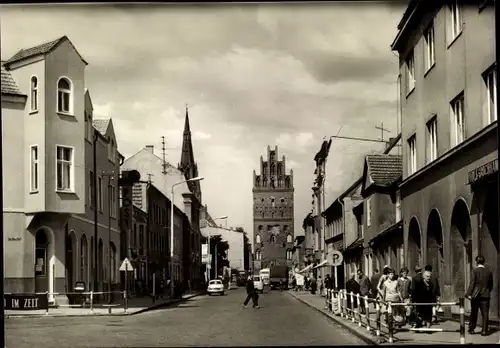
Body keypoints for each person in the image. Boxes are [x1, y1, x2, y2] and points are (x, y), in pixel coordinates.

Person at [466, 255, 493, 336]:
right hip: (485, 295)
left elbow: (472, 283)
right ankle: (484, 331)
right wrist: (487, 291)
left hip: (475, 295)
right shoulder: (489, 271)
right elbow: (491, 284)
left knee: (474, 312)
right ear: (484, 262)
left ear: (477, 262)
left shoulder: (475, 270)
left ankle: (471, 329)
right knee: (485, 313)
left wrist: (468, 294)